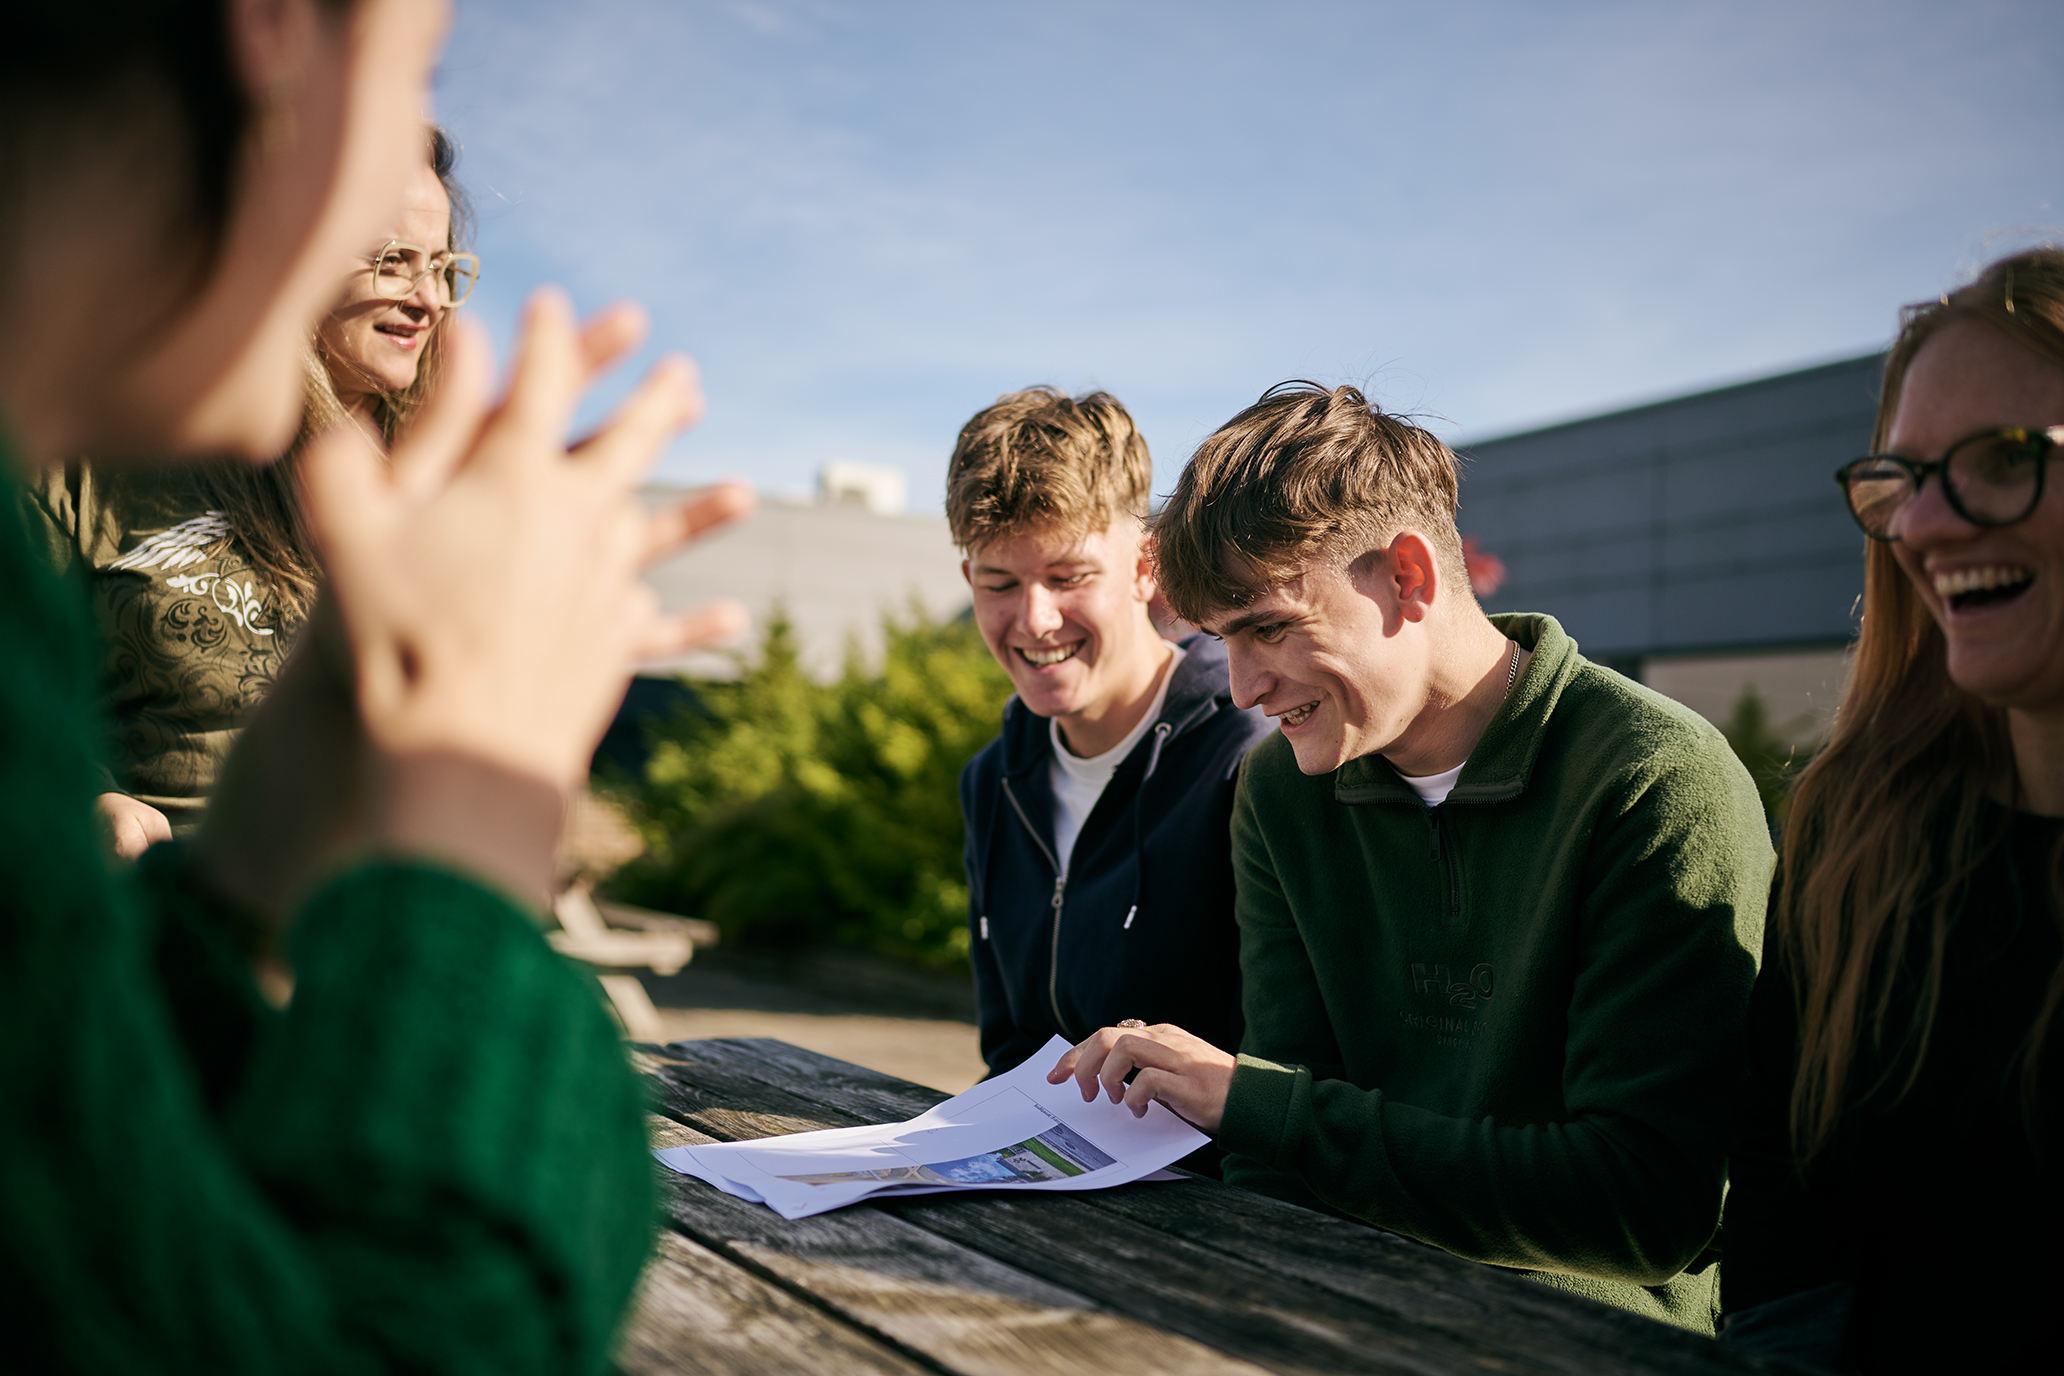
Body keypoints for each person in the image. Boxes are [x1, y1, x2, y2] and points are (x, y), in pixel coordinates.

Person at [0, 1, 753, 1370]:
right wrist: (469, 846)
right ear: (281, 43)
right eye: (417, 53)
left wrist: (246, 886)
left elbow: (68, 1191)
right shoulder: (76, 474)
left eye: (445, 260)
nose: (427, 285)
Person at [1050, 382, 1772, 1331]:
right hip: (1329, 1308)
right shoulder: (1278, 794)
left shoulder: (1653, 779)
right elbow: (1273, 1163)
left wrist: (1260, 1107)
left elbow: (1643, 1208)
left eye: (1269, 626)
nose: (1240, 687)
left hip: (1583, 1341)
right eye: (1224, 641)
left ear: (1409, 576)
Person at [1721, 249, 2064, 1373]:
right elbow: (1783, 1231)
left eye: (2004, 459)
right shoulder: (1854, 831)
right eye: (1902, 478)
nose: (1922, 525)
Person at [29, 126, 479, 856]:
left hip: (379, 933)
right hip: (161, 925)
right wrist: (85, 794)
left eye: (444, 266)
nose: (429, 299)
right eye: (394, 262)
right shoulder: (93, 459)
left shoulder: (442, 485)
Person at [952, 387, 1271, 1086]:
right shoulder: (992, 781)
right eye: (1000, 582)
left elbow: (1289, 1067)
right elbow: (1011, 1051)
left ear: (1145, 567)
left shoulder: (1252, 757)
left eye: (1068, 577)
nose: (1034, 620)